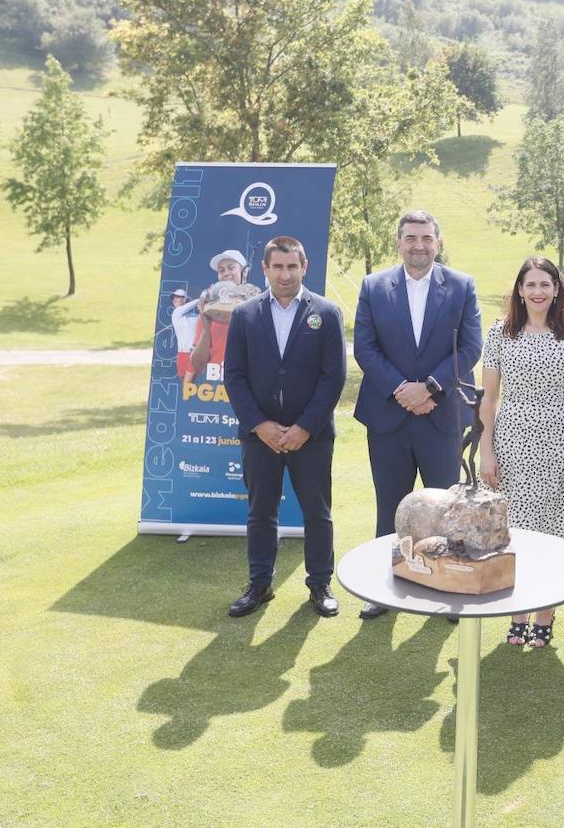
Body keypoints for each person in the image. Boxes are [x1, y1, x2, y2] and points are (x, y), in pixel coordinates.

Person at [352, 210, 483, 619]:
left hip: (441, 415)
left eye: (426, 237)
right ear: (399, 242)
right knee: (390, 506)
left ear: (437, 242)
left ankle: (448, 588)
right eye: (411, 237)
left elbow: (470, 348)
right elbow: (365, 348)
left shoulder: (461, 287)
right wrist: (401, 390)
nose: (419, 245)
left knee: (446, 509)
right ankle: (385, 589)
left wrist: (427, 388)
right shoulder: (374, 287)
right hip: (388, 418)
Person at [223, 236, 346, 619]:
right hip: (261, 437)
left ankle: (319, 584)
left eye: (292, 266)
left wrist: (304, 428)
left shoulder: (326, 312)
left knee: (317, 512)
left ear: (304, 267)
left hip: (311, 436)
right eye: (277, 266)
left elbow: (333, 378)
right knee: (261, 512)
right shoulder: (244, 314)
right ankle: (260, 585)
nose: (285, 274)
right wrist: (260, 426)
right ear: (265, 269)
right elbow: (235, 376)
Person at [479, 257, 564, 649]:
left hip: (559, 442)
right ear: (520, 290)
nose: (539, 291)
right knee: (516, 531)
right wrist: (486, 450)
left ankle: (545, 613)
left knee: (556, 530)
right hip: (510, 442)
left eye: (546, 284)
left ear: (557, 289)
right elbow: (489, 397)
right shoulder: (500, 332)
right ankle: (518, 614)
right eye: (531, 284)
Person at [190, 249, 261, 379]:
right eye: (221, 270)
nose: (226, 273)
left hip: (246, 385)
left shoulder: (258, 306)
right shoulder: (209, 310)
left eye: (231, 268)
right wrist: (206, 329)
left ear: (244, 271)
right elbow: (197, 366)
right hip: (214, 389)